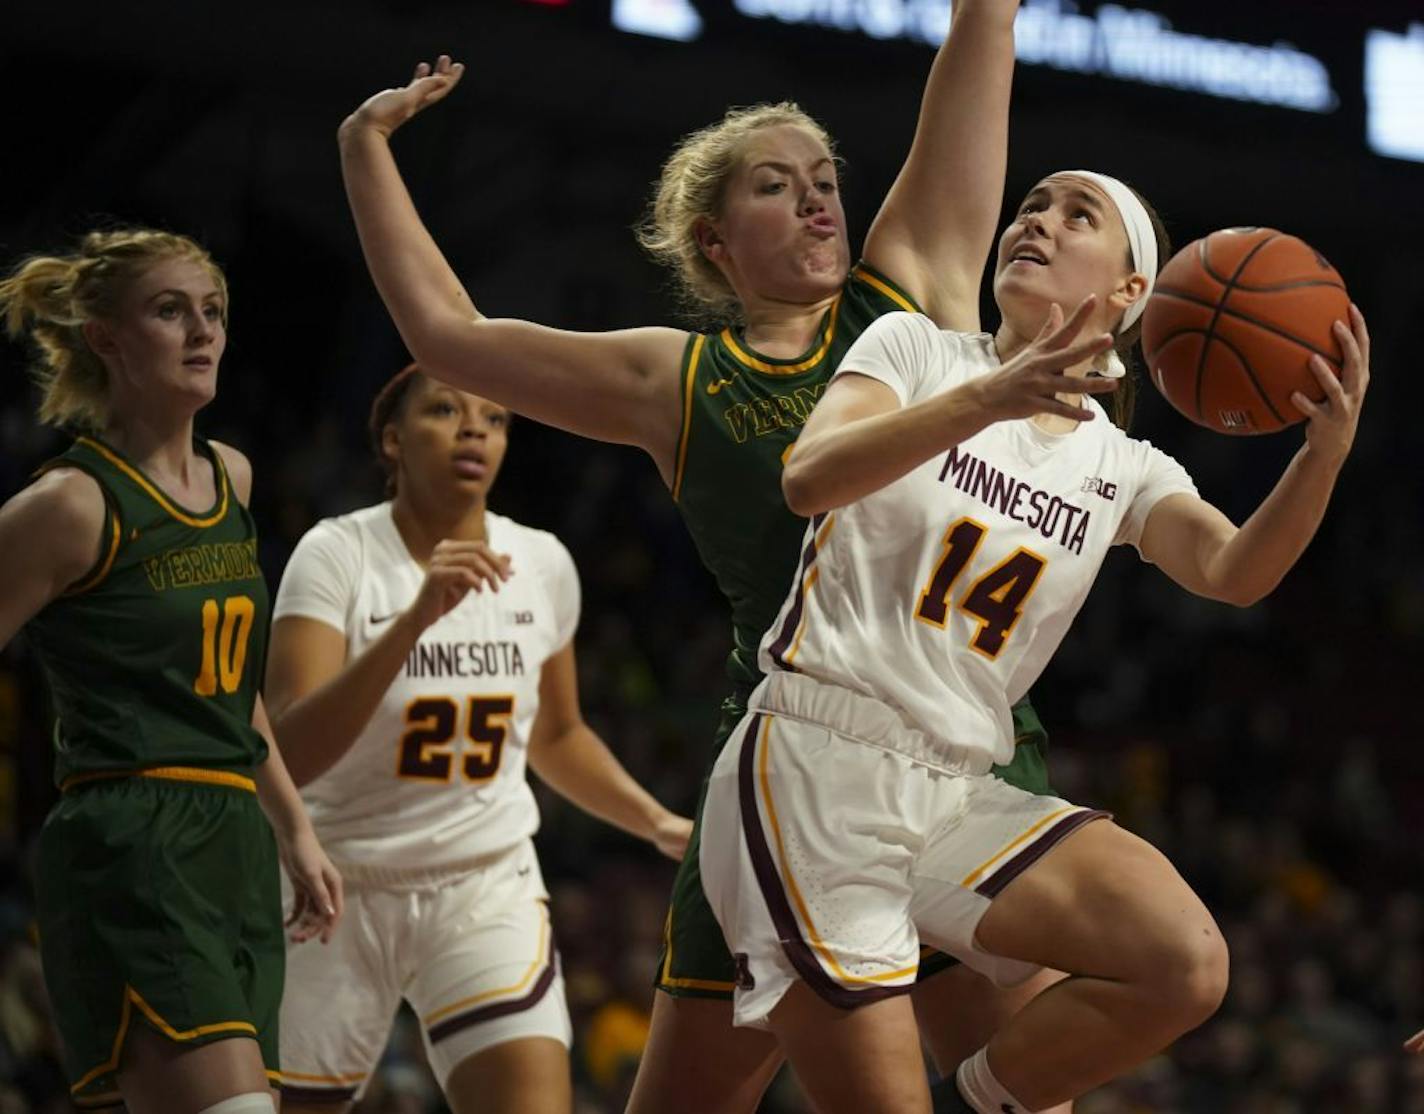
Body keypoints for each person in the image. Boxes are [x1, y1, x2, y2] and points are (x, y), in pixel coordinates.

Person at [333, 7, 1073, 1109]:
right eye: (776, 184)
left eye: (823, 175)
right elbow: (447, 333)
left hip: (960, 758)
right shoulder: (674, 378)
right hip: (788, 770)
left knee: (1028, 1090)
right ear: (713, 241)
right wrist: (363, 146)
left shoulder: (907, 288)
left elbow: (978, 38)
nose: (818, 194)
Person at [698, 166, 1371, 1113]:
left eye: (1076, 214)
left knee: (1183, 962)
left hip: (958, 793)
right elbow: (810, 477)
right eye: (1031, 208)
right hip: (815, 762)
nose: (1039, 223)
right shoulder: (919, 351)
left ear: (1134, 290)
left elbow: (1235, 573)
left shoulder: (1124, 462)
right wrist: (988, 399)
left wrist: (1322, 457)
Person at [264, 364, 693, 1114]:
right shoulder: (336, 555)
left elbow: (556, 736)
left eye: (495, 418)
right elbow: (289, 752)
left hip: (483, 881)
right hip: (335, 884)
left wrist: (652, 820)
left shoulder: (543, 561)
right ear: (392, 441)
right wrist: (413, 620)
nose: (475, 430)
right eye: (445, 410)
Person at [0, 228, 343, 1114]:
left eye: (214, 312)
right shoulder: (68, 506)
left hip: (232, 840)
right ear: (106, 337)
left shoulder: (232, 477)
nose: (202, 332)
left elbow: (228, 696)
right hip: (131, 836)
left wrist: (295, 830)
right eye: (170, 310)